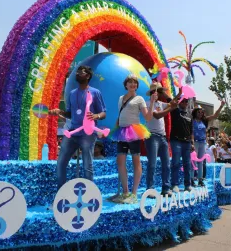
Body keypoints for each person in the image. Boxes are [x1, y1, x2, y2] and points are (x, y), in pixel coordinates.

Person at [49, 66, 106, 189]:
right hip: (73, 132)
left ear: (88, 76)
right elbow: (70, 113)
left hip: (88, 133)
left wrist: (96, 115)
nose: (79, 73)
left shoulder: (95, 92)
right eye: (78, 71)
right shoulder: (72, 93)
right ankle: (61, 193)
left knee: (87, 165)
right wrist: (59, 112)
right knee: (61, 162)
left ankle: (89, 193)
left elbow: (103, 113)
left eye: (82, 71)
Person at [110, 75, 156, 204]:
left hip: (134, 132)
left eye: (135, 82)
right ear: (126, 84)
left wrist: (152, 102)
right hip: (121, 131)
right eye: (130, 82)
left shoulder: (139, 98)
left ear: (137, 85)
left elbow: (147, 117)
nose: (132, 84)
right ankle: (125, 192)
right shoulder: (120, 98)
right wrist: (114, 129)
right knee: (120, 161)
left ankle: (134, 194)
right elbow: (120, 115)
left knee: (136, 161)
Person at [144, 82, 179, 196]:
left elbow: (173, 103)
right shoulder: (147, 103)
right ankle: (150, 189)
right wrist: (170, 108)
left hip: (162, 137)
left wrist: (167, 94)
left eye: (159, 92)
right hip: (152, 136)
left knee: (166, 164)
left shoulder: (161, 103)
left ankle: (165, 188)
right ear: (152, 93)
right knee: (152, 164)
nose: (158, 94)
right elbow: (157, 115)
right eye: (157, 91)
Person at [191, 101, 225, 186]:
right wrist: (191, 143)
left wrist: (221, 106)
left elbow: (215, 116)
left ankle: (200, 180)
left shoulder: (204, 121)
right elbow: (191, 132)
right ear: (195, 112)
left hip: (202, 143)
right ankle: (191, 179)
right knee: (193, 161)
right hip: (194, 142)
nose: (200, 113)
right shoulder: (192, 121)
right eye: (199, 111)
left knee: (201, 162)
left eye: (202, 112)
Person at [170, 98, 194, 192]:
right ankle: (174, 184)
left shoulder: (190, 115)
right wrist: (179, 94)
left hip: (187, 142)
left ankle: (187, 185)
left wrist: (192, 142)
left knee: (187, 164)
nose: (184, 103)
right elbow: (171, 101)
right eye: (182, 101)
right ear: (179, 102)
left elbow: (191, 130)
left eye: (186, 101)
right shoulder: (175, 111)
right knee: (175, 162)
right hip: (176, 140)